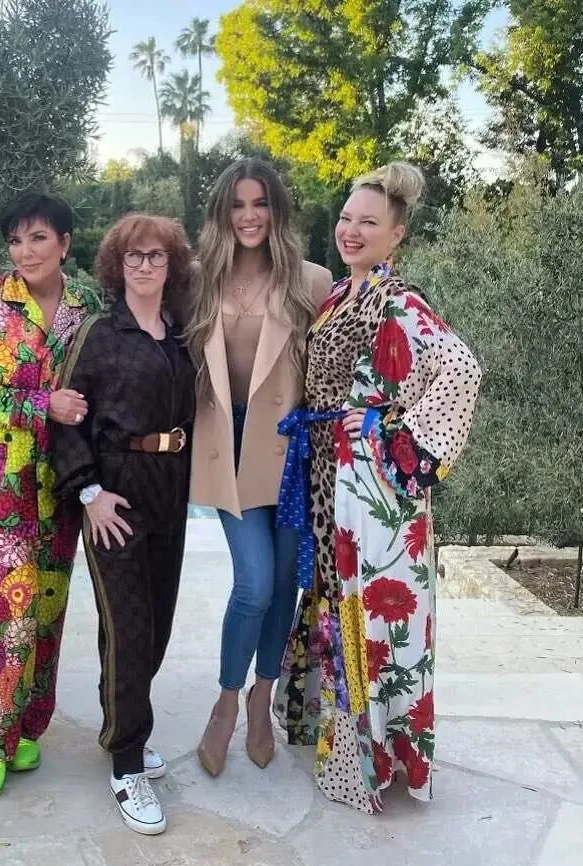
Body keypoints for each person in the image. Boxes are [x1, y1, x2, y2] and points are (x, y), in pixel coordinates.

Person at [276, 162, 482, 814]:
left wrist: (394, 440)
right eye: (346, 217)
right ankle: (343, 745)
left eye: (368, 222)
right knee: (341, 605)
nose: (351, 230)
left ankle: (375, 760)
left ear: (396, 234)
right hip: (333, 480)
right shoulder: (342, 293)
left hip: (374, 489)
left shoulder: (398, 301)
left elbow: (459, 370)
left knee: (375, 615)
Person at [0, 192, 103, 799]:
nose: (25, 252)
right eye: (15, 240)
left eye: (38, 238)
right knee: (13, 615)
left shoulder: (87, 308)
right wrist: (40, 404)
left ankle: (31, 725)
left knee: (48, 617)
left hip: (58, 485)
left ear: (64, 243)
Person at [184, 158, 332, 776]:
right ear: (222, 213)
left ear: (277, 210)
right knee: (255, 584)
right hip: (227, 443)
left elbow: (341, 363)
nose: (249, 216)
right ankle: (226, 702)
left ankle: (261, 698)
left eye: (261, 203)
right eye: (238, 204)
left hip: (291, 452)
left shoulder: (312, 281)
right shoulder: (197, 280)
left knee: (285, 585)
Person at [52, 213, 195, 835]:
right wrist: (89, 492)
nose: (144, 266)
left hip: (171, 492)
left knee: (155, 627)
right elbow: (66, 421)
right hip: (115, 495)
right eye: (133, 256)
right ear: (117, 263)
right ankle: (126, 761)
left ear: (172, 264)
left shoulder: (181, 333)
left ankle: (121, 726)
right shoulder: (98, 333)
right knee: (129, 628)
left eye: (156, 256)